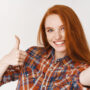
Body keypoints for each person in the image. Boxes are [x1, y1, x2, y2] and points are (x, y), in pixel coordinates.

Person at [0, 5, 90, 90]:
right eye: (50, 30)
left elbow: (81, 79)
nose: (57, 36)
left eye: (63, 28)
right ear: (45, 33)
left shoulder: (82, 68)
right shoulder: (32, 54)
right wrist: (5, 61)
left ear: (74, 30)